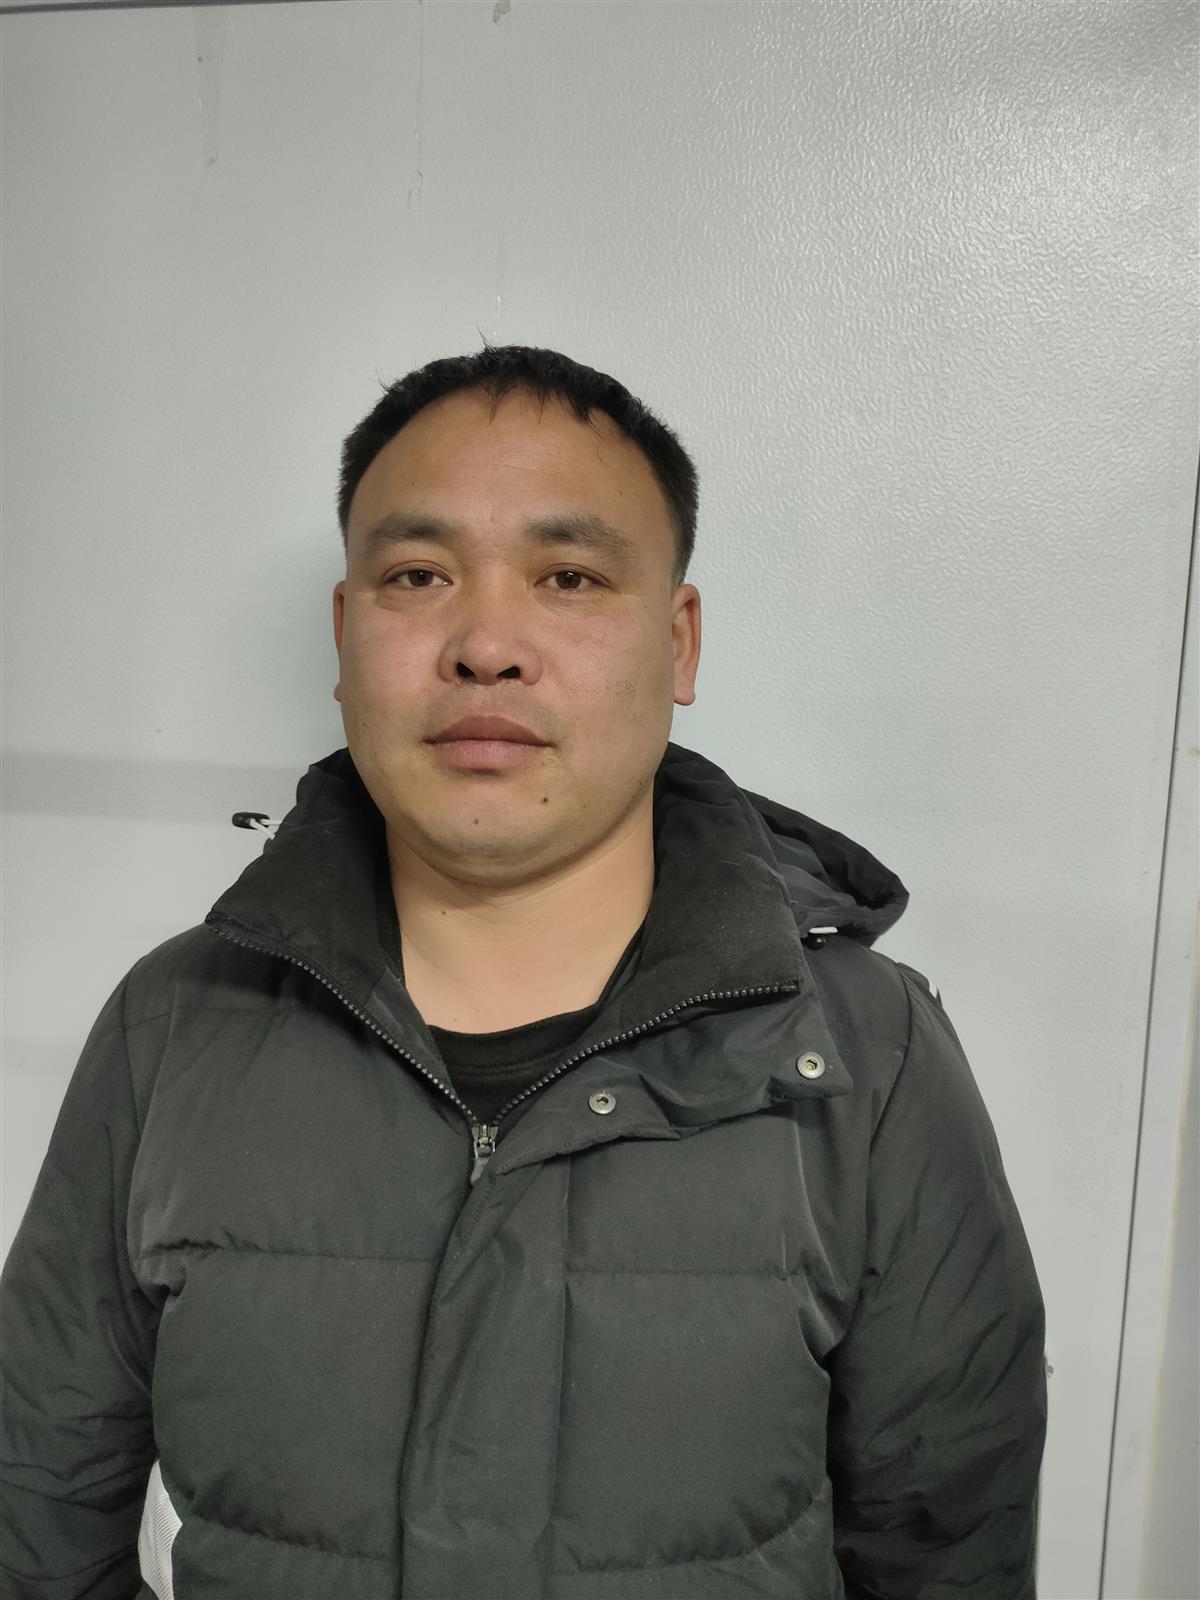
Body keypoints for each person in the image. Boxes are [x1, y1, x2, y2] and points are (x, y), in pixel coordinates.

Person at [0, 342, 1047, 1599]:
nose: (487, 643)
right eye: (418, 575)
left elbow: (949, 1553)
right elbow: (35, 1528)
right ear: (345, 633)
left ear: (679, 643)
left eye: (568, 576)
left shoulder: (869, 1059)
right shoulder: (171, 1027)